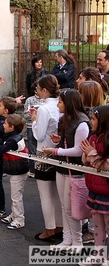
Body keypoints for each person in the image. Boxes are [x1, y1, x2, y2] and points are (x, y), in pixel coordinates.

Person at [42, 89, 90, 250]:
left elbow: (78, 150)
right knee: (64, 206)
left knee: (71, 208)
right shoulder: (64, 120)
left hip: (75, 171)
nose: (57, 104)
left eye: (60, 102)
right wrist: (59, 142)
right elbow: (67, 144)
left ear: (69, 103)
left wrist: (55, 151)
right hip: (62, 167)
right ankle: (67, 240)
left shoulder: (82, 123)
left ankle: (77, 242)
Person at [29, 74, 62, 242]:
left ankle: (50, 229)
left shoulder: (44, 108)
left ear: (44, 90)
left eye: (38, 90)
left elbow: (39, 134)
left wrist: (34, 121)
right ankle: (60, 226)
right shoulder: (60, 104)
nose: (37, 93)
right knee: (58, 193)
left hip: (44, 153)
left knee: (45, 195)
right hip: (59, 151)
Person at [0, 114, 29, 229]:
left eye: (5, 123)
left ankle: (19, 219)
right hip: (15, 169)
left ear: (12, 127)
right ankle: (13, 214)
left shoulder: (13, 140)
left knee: (16, 196)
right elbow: (3, 145)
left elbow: (1, 150)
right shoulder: (12, 137)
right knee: (14, 194)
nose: (3, 125)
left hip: (18, 170)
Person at [81, 105, 109, 261]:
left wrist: (92, 154)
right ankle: (97, 256)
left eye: (93, 118)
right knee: (98, 225)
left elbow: (106, 165)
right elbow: (87, 162)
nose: (90, 121)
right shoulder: (93, 137)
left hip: (106, 189)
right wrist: (86, 155)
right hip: (94, 188)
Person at [23, 81, 45, 178]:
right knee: (32, 148)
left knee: (42, 148)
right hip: (30, 126)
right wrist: (33, 115)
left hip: (43, 126)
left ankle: (42, 168)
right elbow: (25, 114)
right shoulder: (30, 100)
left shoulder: (46, 100)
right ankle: (32, 170)